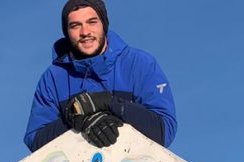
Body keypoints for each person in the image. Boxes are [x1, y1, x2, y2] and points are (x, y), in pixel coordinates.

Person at [24, 0, 177, 152]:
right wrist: (75, 118)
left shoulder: (140, 64)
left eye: (92, 22)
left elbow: (164, 132)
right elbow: (35, 141)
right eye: (75, 26)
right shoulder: (53, 78)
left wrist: (110, 104)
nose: (85, 32)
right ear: (66, 32)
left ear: (104, 24)